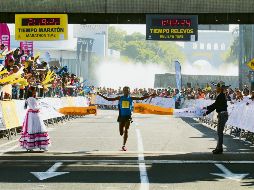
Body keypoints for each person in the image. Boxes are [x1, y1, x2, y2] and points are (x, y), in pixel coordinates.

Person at [97, 86, 156, 151]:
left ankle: (124, 145)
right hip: (121, 116)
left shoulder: (131, 98)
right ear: (123, 91)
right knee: (121, 132)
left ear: (129, 91)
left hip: (128, 116)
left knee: (126, 130)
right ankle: (123, 132)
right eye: (125, 90)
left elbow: (142, 98)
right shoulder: (120, 98)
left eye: (127, 90)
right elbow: (108, 99)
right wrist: (100, 94)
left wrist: (150, 95)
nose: (126, 91)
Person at [19, 86, 50, 151]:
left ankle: (36, 146)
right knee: (38, 128)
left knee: (35, 128)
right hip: (34, 115)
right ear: (32, 91)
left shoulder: (30, 98)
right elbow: (34, 108)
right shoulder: (31, 99)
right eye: (34, 90)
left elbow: (32, 107)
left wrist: (40, 104)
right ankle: (40, 146)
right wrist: (41, 106)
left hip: (33, 114)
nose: (36, 91)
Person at [203, 82, 228, 154]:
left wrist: (206, 109)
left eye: (217, 87)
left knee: (220, 132)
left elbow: (215, 105)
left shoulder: (221, 96)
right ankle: (219, 147)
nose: (216, 88)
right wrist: (206, 111)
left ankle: (219, 148)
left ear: (220, 88)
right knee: (219, 132)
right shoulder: (221, 95)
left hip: (222, 115)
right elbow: (215, 106)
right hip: (222, 114)